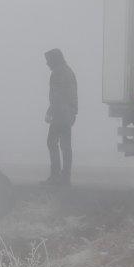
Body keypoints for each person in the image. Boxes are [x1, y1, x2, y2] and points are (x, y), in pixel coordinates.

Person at [43, 48, 77, 185]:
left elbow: (57, 96)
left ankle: (55, 176)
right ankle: (65, 177)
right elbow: (73, 94)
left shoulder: (58, 73)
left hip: (60, 114)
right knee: (65, 145)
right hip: (68, 113)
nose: (47, 64)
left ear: (54, 60)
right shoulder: (68, 71)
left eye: (48, 61)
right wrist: (74, 112)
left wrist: (50, 111)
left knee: (51, 142)